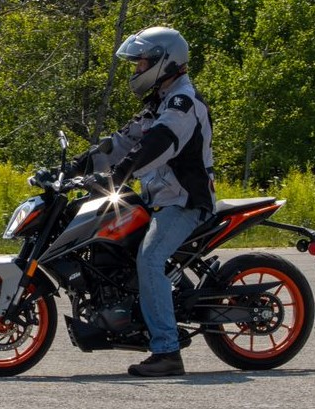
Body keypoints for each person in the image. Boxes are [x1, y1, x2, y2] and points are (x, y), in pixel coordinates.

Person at [70, 26, 216, 376]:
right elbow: (121, 142)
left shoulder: (183, 104)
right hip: (157, 200)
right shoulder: (159, 101)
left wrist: (117, 175)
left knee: (149, 259)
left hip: (184, 204)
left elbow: (157, 144)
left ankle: (167, 351)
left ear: (165, 63)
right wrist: (73, 168)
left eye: (141, 63)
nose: (136, 70)